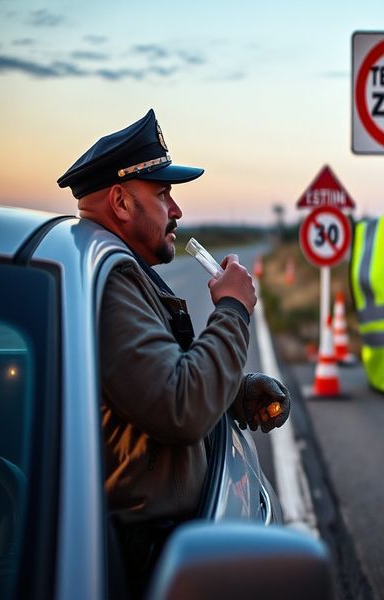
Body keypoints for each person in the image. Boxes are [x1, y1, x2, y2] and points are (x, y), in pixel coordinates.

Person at [57, 109, 291, 593]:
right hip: (146, 557)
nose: (177, 211)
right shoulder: (110, 282)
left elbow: (140, 388)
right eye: (163, 194)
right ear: (121, 202)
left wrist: (232, 396)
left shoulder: (115, 268)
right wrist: (233, 309)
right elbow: (178, 405)